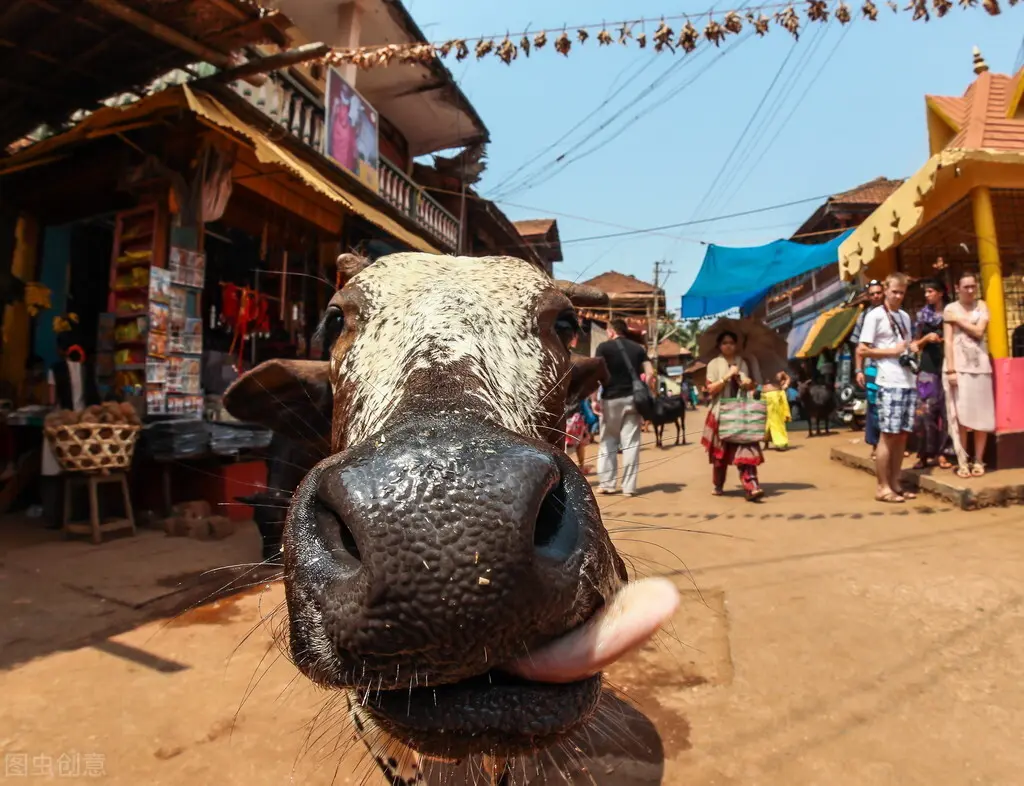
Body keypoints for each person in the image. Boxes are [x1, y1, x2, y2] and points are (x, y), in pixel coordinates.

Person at [857, 272, 919, 504]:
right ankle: (882, 486)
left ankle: (895, 483)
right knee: (888, 435)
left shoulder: (904, 316)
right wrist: (890, 352)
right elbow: (863, 349)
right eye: (894, 291)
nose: (898, 296)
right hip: (887, 381)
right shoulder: (874, 316)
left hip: (907, 380)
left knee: (902, 436)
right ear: (885, 290)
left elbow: (905, 346)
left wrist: (911, 348)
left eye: (902, 292)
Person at [41, 332, 101, 528]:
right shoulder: (86, 368)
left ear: (60, 350)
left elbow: (51, 401)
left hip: (60, 426)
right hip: (82, 426)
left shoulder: (55, 369)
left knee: (53, 471)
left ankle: (53, 518)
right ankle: (79, 515)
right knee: (79, 470)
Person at [593, 319, 655, 497]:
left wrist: (593, 399)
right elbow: (650, 373)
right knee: (631, 444)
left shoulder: (603, 348)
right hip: (633, 400)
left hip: (610, 399)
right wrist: (646, 389)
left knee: (608, 441)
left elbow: (596, 373)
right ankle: (629, 488)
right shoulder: (638, 349)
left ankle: (607, 484)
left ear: (611, 331)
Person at [701, 330, 764, 501]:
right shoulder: (713, 364)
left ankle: (752, 486)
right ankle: (718, 484)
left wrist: (746, 382)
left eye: (731, 342)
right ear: (719, 346)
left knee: (746, 448)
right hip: (721, 412)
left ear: (736, 345)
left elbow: (752, 386)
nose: (728, 345)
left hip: (742, 412)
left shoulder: (742, 362)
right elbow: (710, 390)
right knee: (720, 455)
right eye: (724, 342)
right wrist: (727, 376)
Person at [943, 271, 995, 478]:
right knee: (960, 418)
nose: (971, 290)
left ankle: (979, 459)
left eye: (973, 286)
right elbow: (947, 340)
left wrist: (958, 321)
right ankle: (962, 460)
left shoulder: (981, 306)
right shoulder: (950, 308)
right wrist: (951, 370)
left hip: (980, 366)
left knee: (981, 417)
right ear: (957, 288)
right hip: (958, 367)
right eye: (966, 287)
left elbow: (979, 331)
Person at [912, 279, 953, 470]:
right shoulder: (922, 317)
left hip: (949, 366)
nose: (927, 295)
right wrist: (926, 339)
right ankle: (923, 454)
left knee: (947, 413)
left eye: (930, 291)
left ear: (940, 293)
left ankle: (943, 453)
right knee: (923, 414)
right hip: (927, 370)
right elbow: (913, 345)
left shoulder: (952, 313)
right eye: (926, 292)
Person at [852, 279, 886, 460]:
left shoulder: (894, 313)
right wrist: (858, 370)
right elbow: (858, 345)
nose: (875, 297)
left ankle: (890, 444)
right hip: (871, 368)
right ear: (868, 296)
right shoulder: (863, 317)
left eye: (878, 293)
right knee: (873, 407)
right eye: (872, 294)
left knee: (890, 405)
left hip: (892, 367)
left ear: (884, 292)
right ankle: (875, 445)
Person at [762, 370, 792, 450]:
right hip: (764, 396)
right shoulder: (761, 367)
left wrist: (785, 385)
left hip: (776, 396)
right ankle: (766, 443)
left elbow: (788, 378)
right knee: (766, 422)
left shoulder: (779, 371)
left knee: (777, 421)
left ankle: (781, 443)